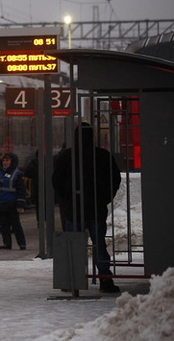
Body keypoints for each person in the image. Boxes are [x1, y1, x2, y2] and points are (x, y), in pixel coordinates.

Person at [52, 123, 122, 293]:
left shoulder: (66, 156)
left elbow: (57, 181)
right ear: (93, 137)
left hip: (73, 209)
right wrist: (105, 198)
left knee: (72, 244)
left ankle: (71, 280)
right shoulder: (103, 156)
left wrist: (67, 198)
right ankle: (105, 279)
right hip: (96, 209)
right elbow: (115, 179)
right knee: (99, 245)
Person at [0, 152, 27, 250]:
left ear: (12, 162)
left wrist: (20, 204)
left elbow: (21, 191)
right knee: (4, 226)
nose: (5, 163)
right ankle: (7, 244)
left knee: (16, 225)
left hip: (12, 204)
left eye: (7, 160)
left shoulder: (17, 174)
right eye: (3, 161)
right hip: (1, 203)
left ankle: (22, 244)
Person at [24, 150, 39, 224]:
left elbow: (27, 174)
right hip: (47, 189)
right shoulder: (48, 164)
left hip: (36, 188)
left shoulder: (32, 164)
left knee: (39, 205)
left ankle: (40, 220)